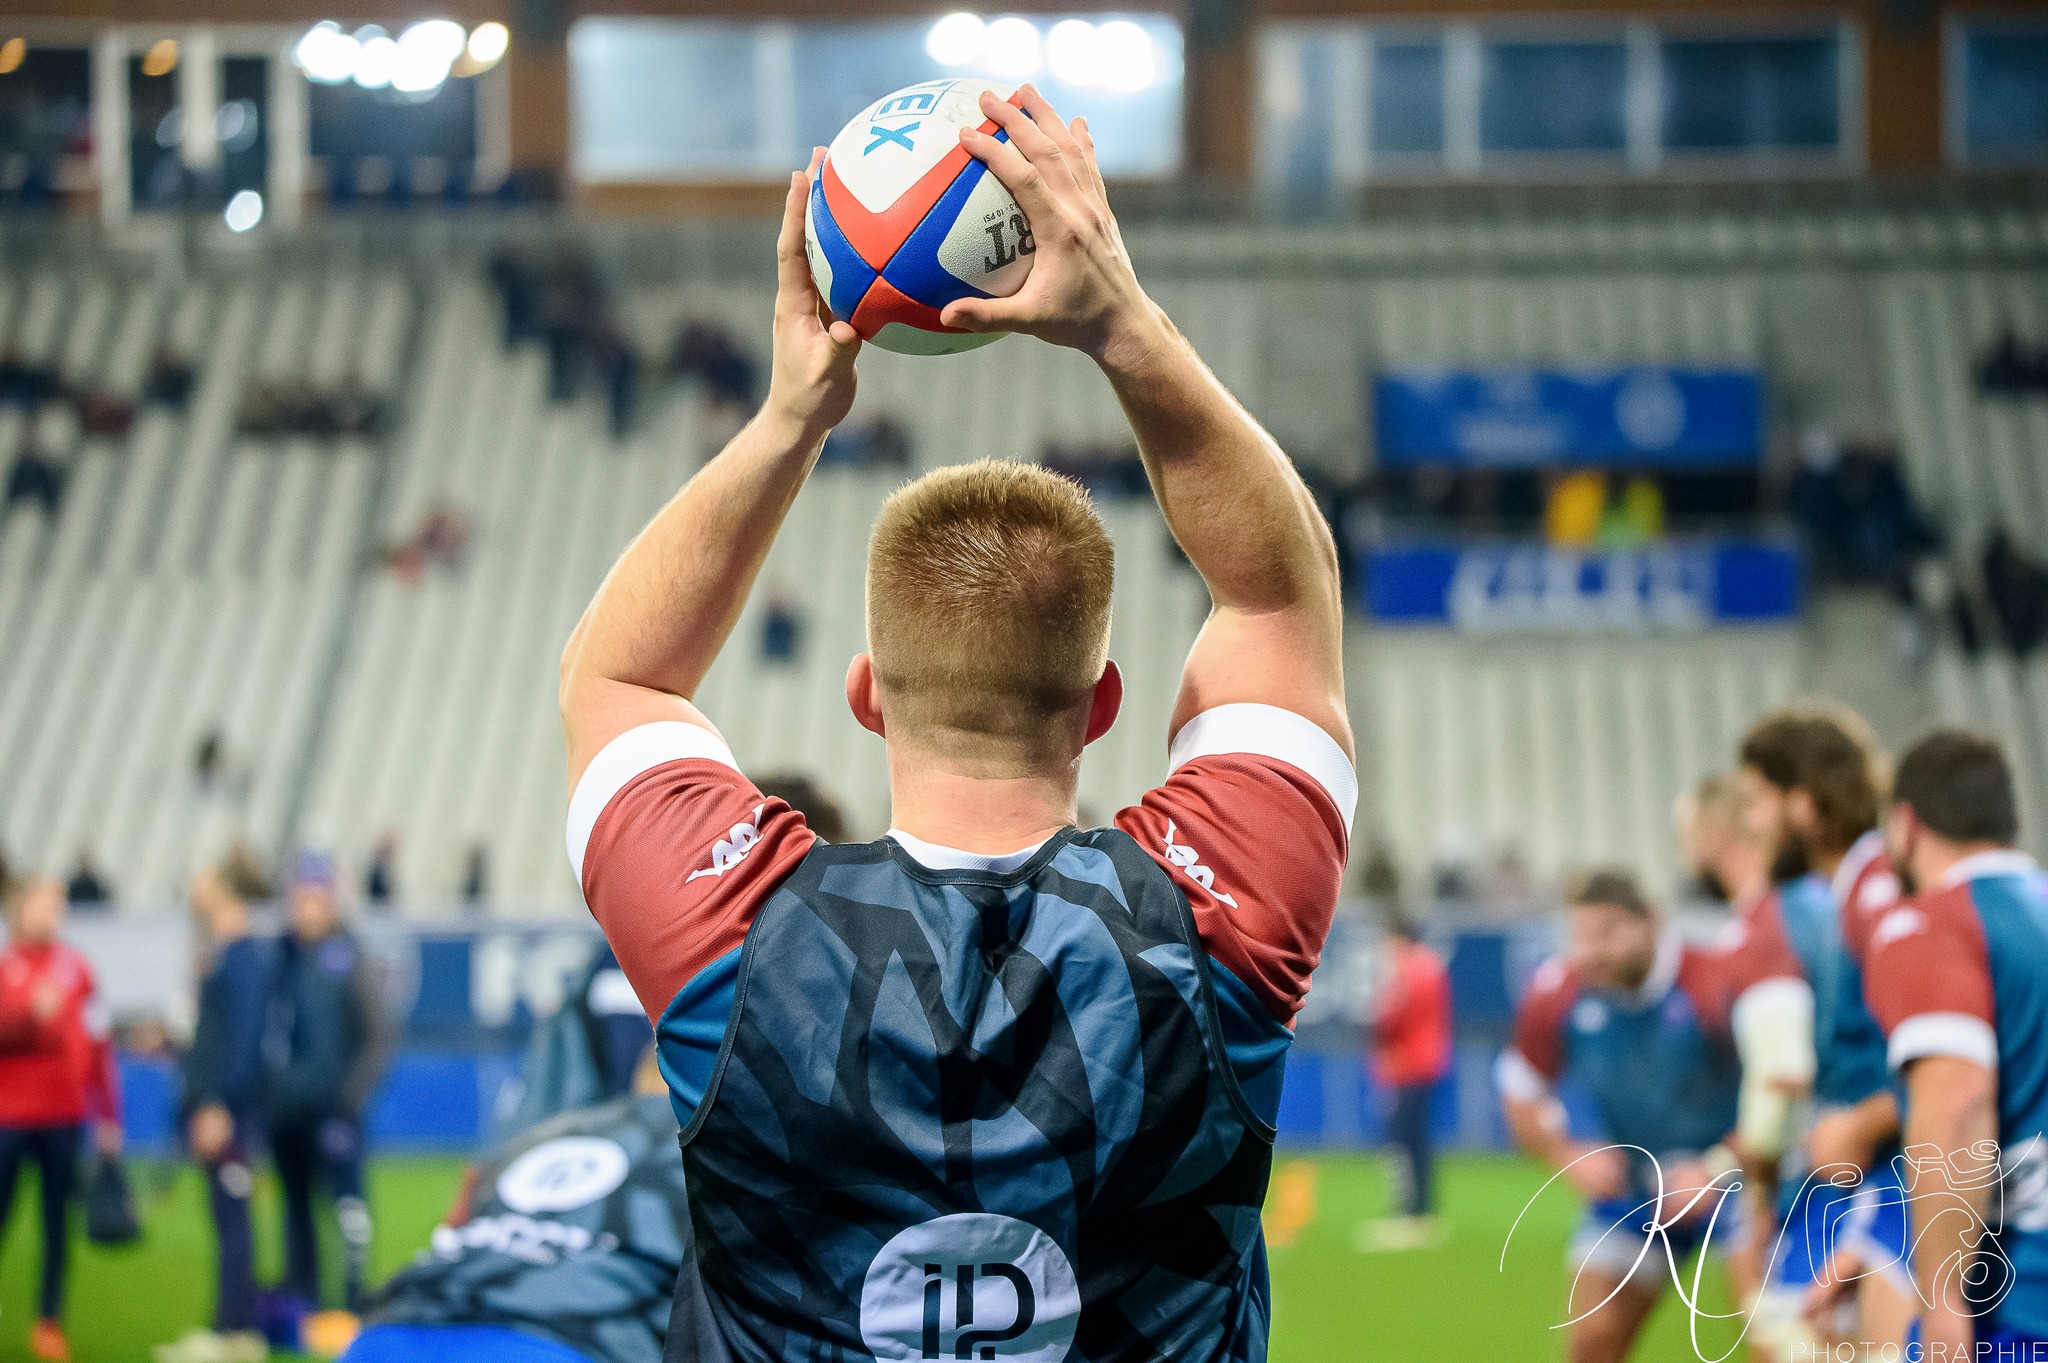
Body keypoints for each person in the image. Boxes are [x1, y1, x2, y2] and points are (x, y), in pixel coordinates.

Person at [557, 88, 1354, 1362]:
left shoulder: (733, 931)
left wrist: (787, 418)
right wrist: (1123, 326)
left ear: (864, 693)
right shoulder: (1220, 916)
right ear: (1102, 707)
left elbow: (619, 683)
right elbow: (1277, 588)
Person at [1725, 709, 1915, 1357]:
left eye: (1755, 802)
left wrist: (1860, 1123)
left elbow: (1960, 1052)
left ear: (1803, 805)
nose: (1749, 824)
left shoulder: (1879, 892)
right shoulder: (1848, 893)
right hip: (1870, 1177)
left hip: (1906, 1181)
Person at [1494, 869, 1743, 1363]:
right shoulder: (1558, 992)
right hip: (1637, 1187)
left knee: (1778, 1336)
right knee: (1592, 1341)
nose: (1590, 952)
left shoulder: (1715, 979)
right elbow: (1518, 1090)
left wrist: (1714, 1170)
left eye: (1606, 933)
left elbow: (1781, 1091)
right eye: (1579, 936)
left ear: (1650, 923)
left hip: (1741, 1182)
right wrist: (1566, 1154)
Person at [1864, 729, 2048, 1353]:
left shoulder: (1930, 926)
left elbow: (1960, 1105)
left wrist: (1942, 1300)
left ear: (1906, 823)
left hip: (2019, 1304)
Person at [343, 1066, 689, 1363]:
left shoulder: (547, 1132)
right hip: (565, 1341)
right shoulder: (713, 1154)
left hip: (392, 1331)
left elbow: (452, 1227)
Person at [262, 853, 392, 1313]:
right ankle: (304, 1301)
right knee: (295, 1211)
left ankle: (355, 1301)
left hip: (335, 1110)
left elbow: (376, 1037)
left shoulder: (350, 957)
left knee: (348, 1210)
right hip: (285, 1111)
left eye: (316, 897)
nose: (307, 907)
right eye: (300, 897)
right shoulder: (279, 956)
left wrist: (349, 1101)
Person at [0, 878, 123, 1363]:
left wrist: (108, 1113)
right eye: (43, 905)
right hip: (9, 1117)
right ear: (19, 909)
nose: (52, 914)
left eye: (58, 905)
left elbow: (98, 1042)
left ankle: (49, 1322)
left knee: (58, 1227)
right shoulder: (6, 967)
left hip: (65, 1116)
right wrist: (32, 1016)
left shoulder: (77, 968)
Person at [175, 866, 272, 1351]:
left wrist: (220, 1104)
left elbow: (242, 1041)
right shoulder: (227, 958)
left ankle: (233, 1330)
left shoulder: (242, 960)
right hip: (220, 1105)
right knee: (226, 1218)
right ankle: (232, 1327)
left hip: (229, 1110)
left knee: (233, 1219)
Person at [1359, 914, 1451, 1251]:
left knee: (1400, 1141)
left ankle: (1408, 1214)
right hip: (1430, 1062)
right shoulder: (1433, 966)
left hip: (1404, 1066)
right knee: (1419, 1141)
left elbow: (1388, 1017)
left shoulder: (1404, 968)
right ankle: (1425, 1213)